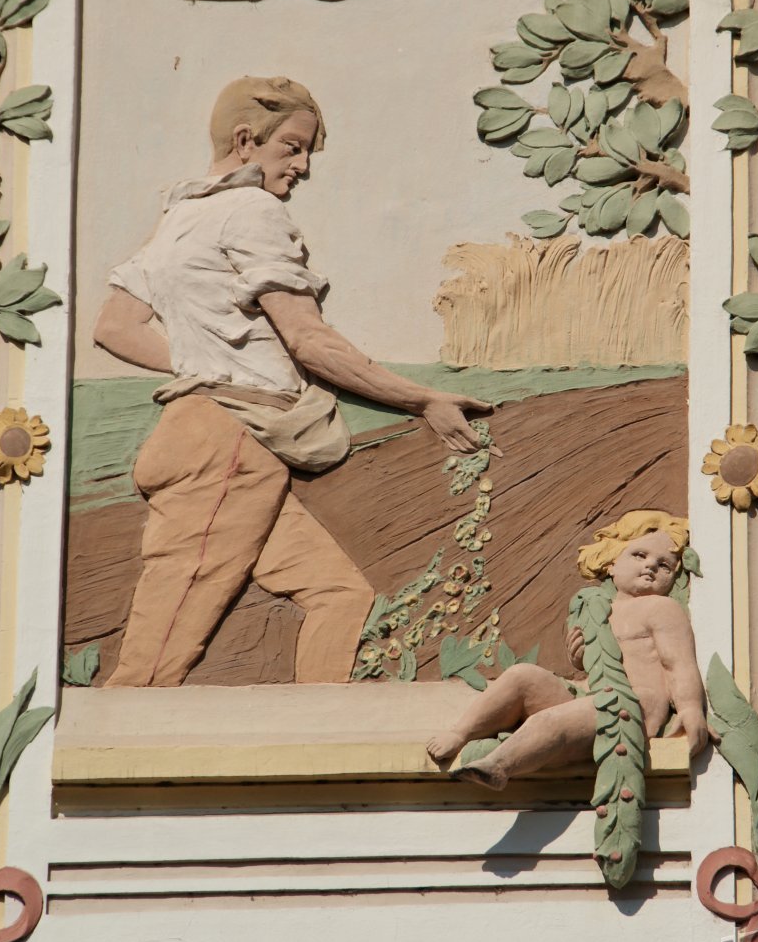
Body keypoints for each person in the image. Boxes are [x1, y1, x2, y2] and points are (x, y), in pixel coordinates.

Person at [94, 74, 491, 687]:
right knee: (157, 655)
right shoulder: (252, 210)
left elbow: (116, 327)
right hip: (224, 453)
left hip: (224, 444)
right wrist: (423, 398)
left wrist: (202, 366)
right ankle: (110, 760)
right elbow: (308, 339)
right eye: (294, 148)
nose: (303, 166)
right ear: (247, 139)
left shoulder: (179, 216)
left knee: (339, 594)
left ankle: (318, 730)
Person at [425, 510, 708, 787]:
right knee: (521, 675)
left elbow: (678, 664)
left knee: (549, 721)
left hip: (635, 703)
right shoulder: (598, 610)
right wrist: (581, 658)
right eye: (640, 555)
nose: (651, 567)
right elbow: (603, 663)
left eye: (664, 565)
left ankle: (499, 765)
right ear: (611, 562)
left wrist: (691, 708)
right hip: (591, 696)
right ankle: (460, 733)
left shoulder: (662, 608)